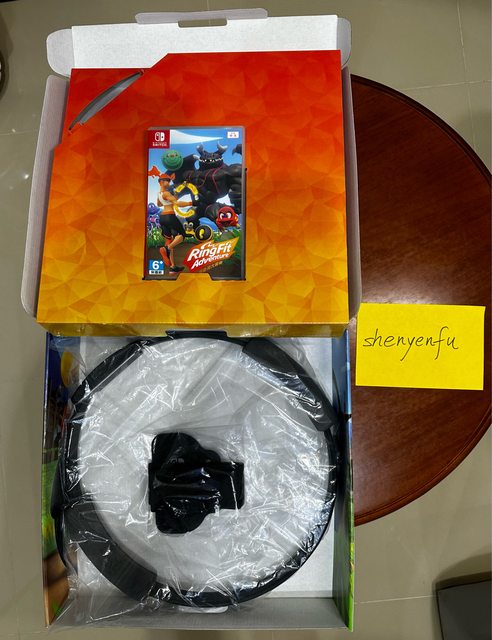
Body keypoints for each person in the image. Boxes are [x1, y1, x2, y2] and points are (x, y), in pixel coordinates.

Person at [155, 173, 191, 274]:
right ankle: (166, 249)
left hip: (162, 218)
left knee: (169, 240)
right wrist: (191, 203)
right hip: (170, 216)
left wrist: (173, 196)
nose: (169, 183)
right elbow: (177, 203)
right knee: (182, 235)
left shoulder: (159, 194)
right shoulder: (166, 193)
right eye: (167, 181)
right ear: (161, 182)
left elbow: (159, 204)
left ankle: (172, 267)